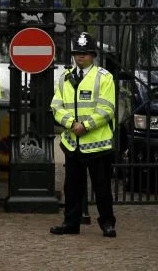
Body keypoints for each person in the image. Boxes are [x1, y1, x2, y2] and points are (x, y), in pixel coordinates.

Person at [49, 31, 117, 238]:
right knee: (72, 187)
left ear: (93, 55)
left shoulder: (104, 77)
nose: (80, 56)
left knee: (102, 187)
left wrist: (85, 125)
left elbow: (107, 109)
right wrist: (71, 124)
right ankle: (71, 222)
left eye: (85, 53)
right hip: (72, 143)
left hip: (97, 143)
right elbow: (56, 106)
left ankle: (107, 223)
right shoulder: (64, 77)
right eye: (77, 53)